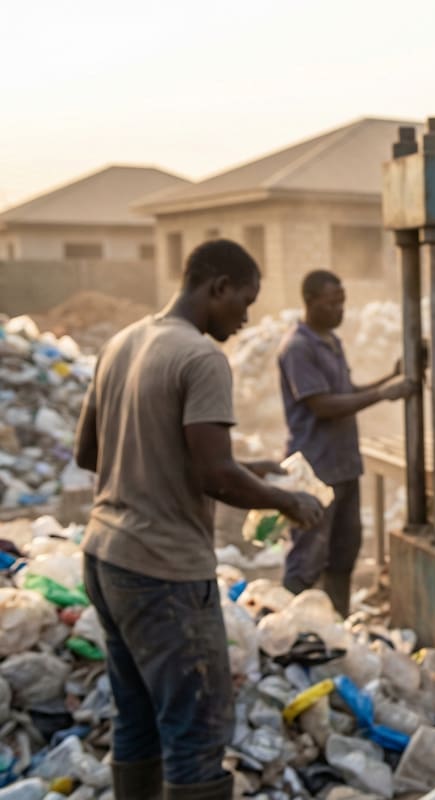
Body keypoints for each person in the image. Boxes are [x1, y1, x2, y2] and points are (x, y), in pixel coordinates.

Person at [74, 239, 324, 799]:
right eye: (244, 300)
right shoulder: (201, 356)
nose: (246, 317)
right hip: (163, 572)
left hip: (105, 558)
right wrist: (288, 501)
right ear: (217, 287)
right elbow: (214, 476)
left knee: (138, 720)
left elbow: (90, 453)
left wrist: (248, 468)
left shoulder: (124, 342)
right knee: (196, 732)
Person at [277, 269, 416, 615]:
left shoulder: (331, 342)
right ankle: (289, 628)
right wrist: (384, 394)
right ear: (310, 302)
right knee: (308, 556)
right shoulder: (298, 347)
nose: (340, 310)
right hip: (315, 469)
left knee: (343, 551)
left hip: (344, 465)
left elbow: (347, 393)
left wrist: (390, 379)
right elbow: (322, 405)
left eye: (342, 302)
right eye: (332, 303)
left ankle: (335, 625)